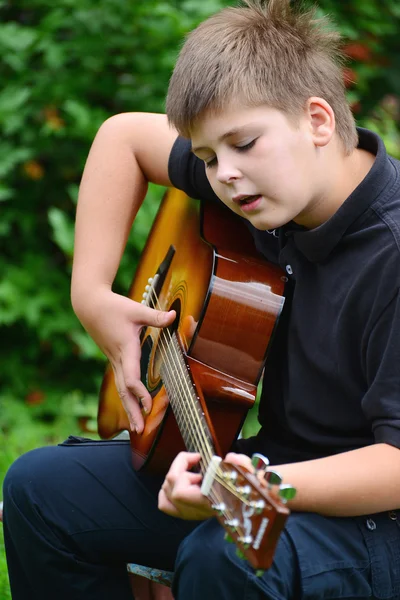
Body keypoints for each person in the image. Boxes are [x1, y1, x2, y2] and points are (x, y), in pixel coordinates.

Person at [3, 0, 400, 598]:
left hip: (378, 521)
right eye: (208, 157)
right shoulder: (265, 179)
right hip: (268, 465)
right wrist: (91, 294)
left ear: (318, 121)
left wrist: (244, 489)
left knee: (228, 553)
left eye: (242, 145)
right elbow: (122, 139)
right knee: (39, 488)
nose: (224, 176)